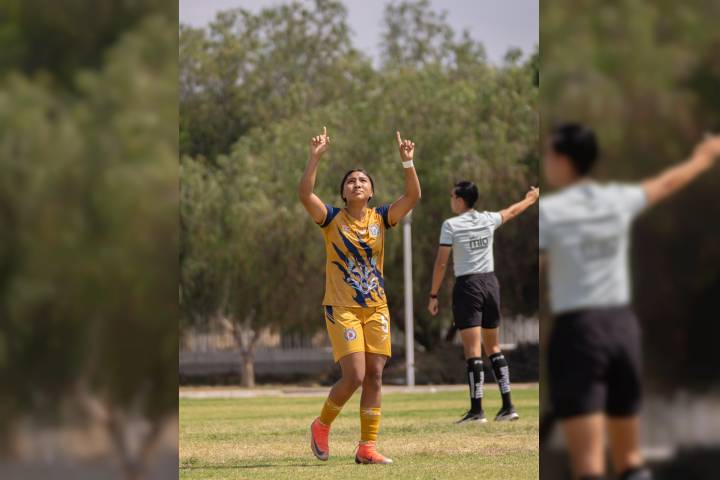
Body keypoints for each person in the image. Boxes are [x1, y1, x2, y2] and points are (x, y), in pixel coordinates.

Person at [539, 123, 720, 480]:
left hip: (580, 333)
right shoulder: (618, 200)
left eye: (548, 154)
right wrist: (704, 158)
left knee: (588, 466)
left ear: (563, 160)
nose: (546, 161)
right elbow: (667, 183)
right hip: (622, 330)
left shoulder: (551, 212)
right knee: (630, 462)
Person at [299, 127, 421, 464]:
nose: (356, 183)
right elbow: (305, 194)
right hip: (342, 307)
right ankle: (322, 425)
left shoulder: (381, 218)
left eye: (363, 181)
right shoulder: (331, 219)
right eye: (350, 181)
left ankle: (367, 447)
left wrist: (407, 162)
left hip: (376, 307)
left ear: (371, 191)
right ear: (343, 192)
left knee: (376, 375)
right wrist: (314, 158)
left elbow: (412, 197)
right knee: (354, 375)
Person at [428, 180, 539, 423]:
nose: (451, 201)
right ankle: (508, 407)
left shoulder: (451, 225)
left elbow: (441, 263)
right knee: (494, 348)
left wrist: (433, 294)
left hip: (468, 286)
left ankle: (477, 411)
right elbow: (511, 211)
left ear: (460, 200)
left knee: (472, 350)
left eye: (452, 196)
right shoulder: (488, 219)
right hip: (490, 284)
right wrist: (531, 199)